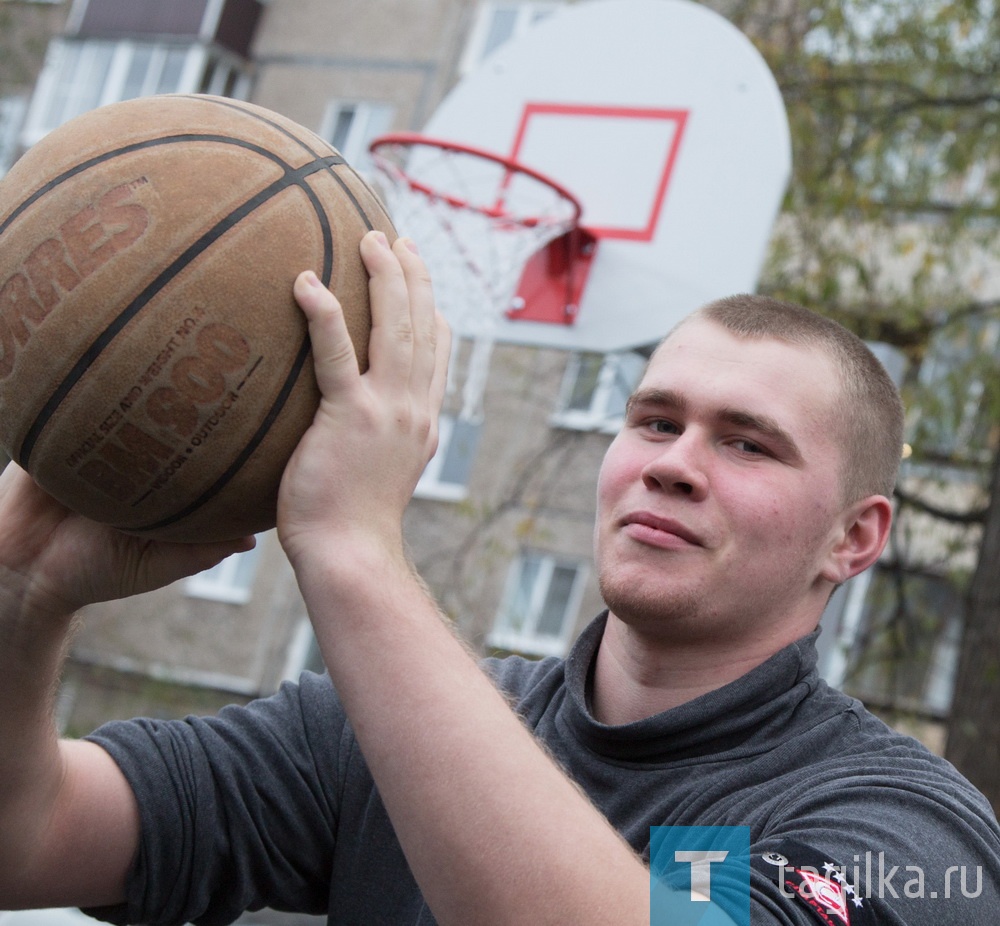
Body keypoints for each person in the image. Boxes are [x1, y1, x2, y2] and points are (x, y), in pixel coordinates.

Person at [0, 229, 997, 926]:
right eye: (654, 419)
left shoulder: (905, 828)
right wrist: (21, 594)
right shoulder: (373, 729)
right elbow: (28, 837)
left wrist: (354, 547)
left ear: (853, 538)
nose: (673, 459)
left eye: (747, 443)